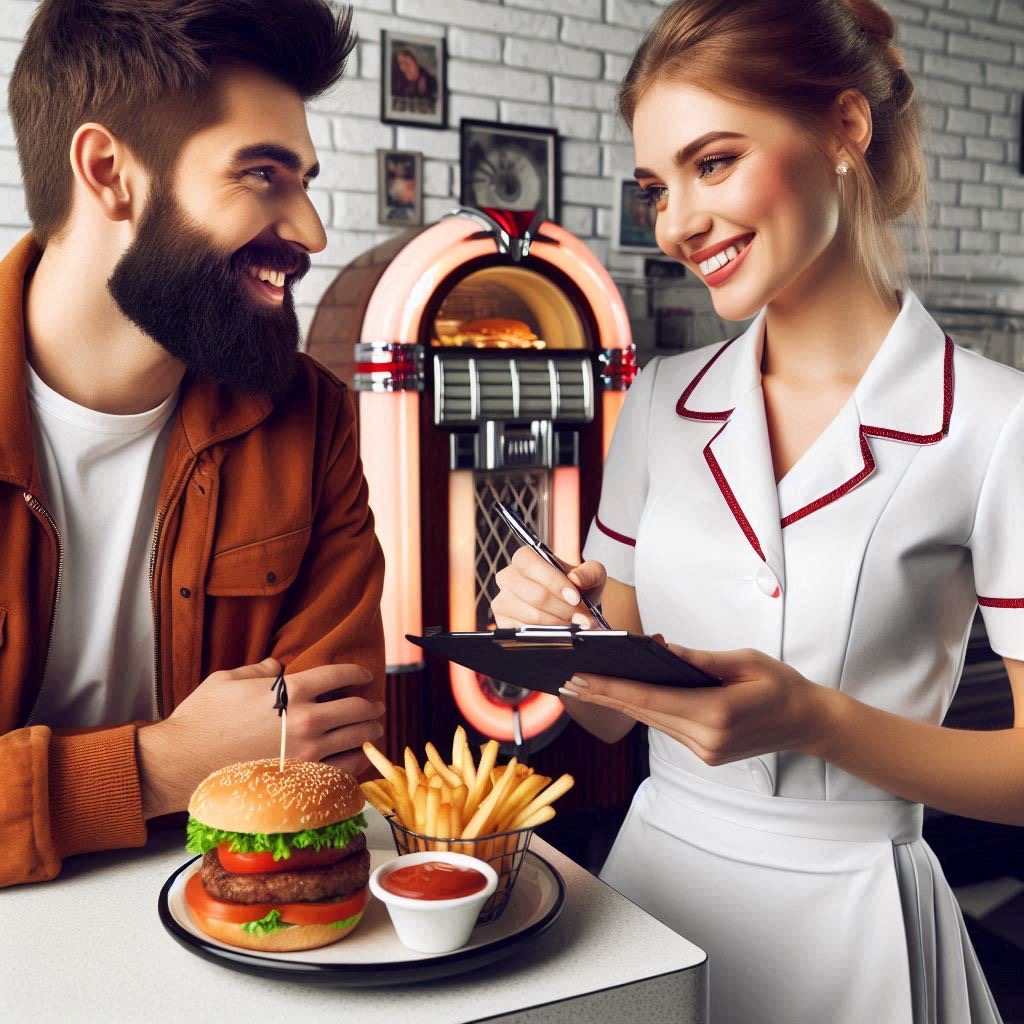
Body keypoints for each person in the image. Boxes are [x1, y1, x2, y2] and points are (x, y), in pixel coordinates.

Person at [492, 1, 1023, 1021]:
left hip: (855, 917)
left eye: (714, 161)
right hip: (650, 894)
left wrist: (812, 719)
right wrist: (558, 627)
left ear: (843, 130)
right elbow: (610, 711)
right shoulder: (657, 398)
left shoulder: (994, 424)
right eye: (656, 186)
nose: (676, 221)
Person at [0, 0, 387, 889]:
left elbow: (331, 753)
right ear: (110, 173)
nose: (312, 233)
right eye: (261, 175)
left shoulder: (313, 417)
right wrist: (157, 765)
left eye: (305, 181)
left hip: (237, 913)